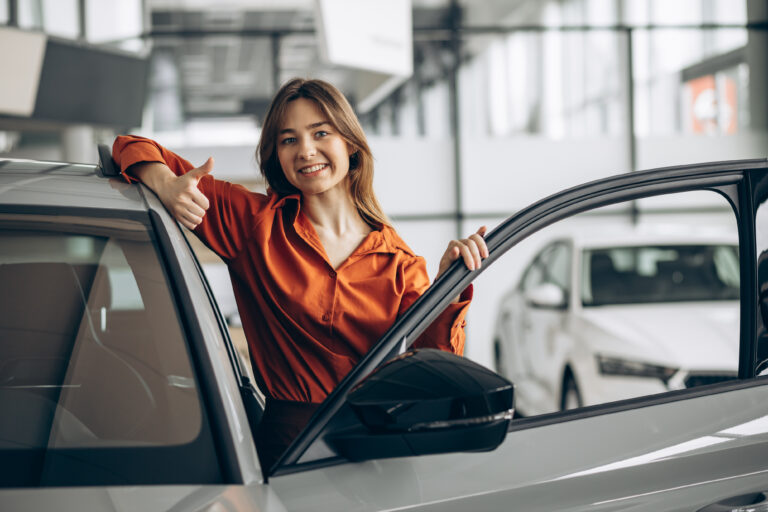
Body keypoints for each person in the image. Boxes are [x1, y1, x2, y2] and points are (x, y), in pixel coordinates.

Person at [112, 78, 488, 469]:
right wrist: (166, 185)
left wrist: (450, 286)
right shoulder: (254, 225)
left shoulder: (401, 264)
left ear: (350, 145)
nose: (306, 151)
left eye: (320, 133)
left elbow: (432, 367)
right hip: (288, 449)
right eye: (288, 140)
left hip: (379, 451)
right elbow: (130, 145)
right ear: (276, 155)